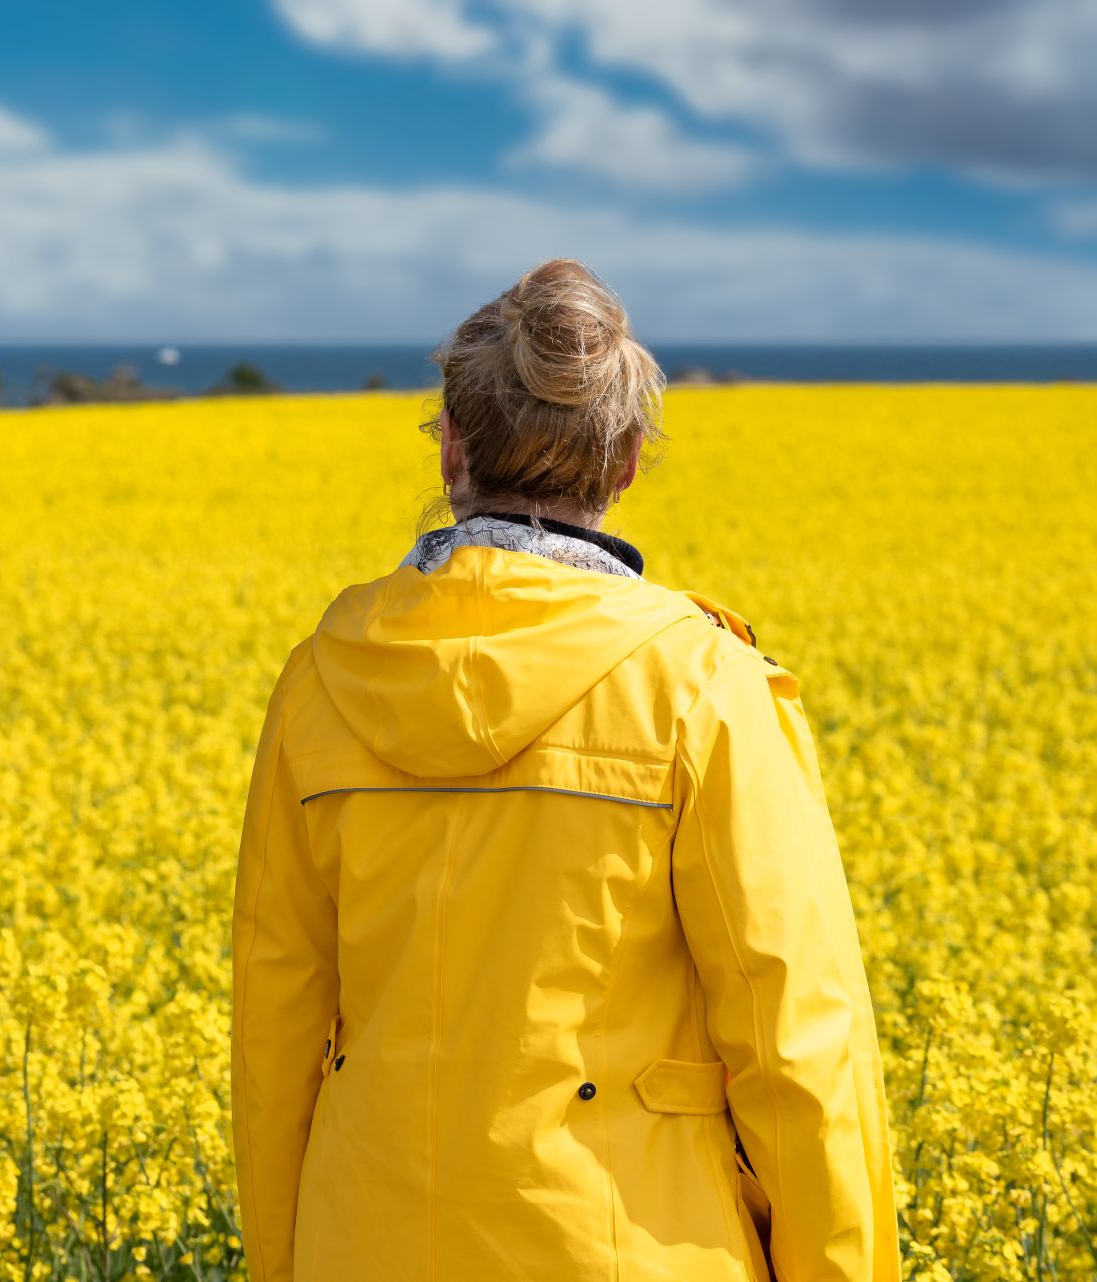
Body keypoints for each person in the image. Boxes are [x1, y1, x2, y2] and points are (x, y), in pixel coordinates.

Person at [229, 259, 897, 1281]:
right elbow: (797, 1044)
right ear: (626, 459)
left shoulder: (322, 679)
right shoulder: (700, 684)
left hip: (358, 1243)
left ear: (452, 446)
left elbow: (274, 1031)